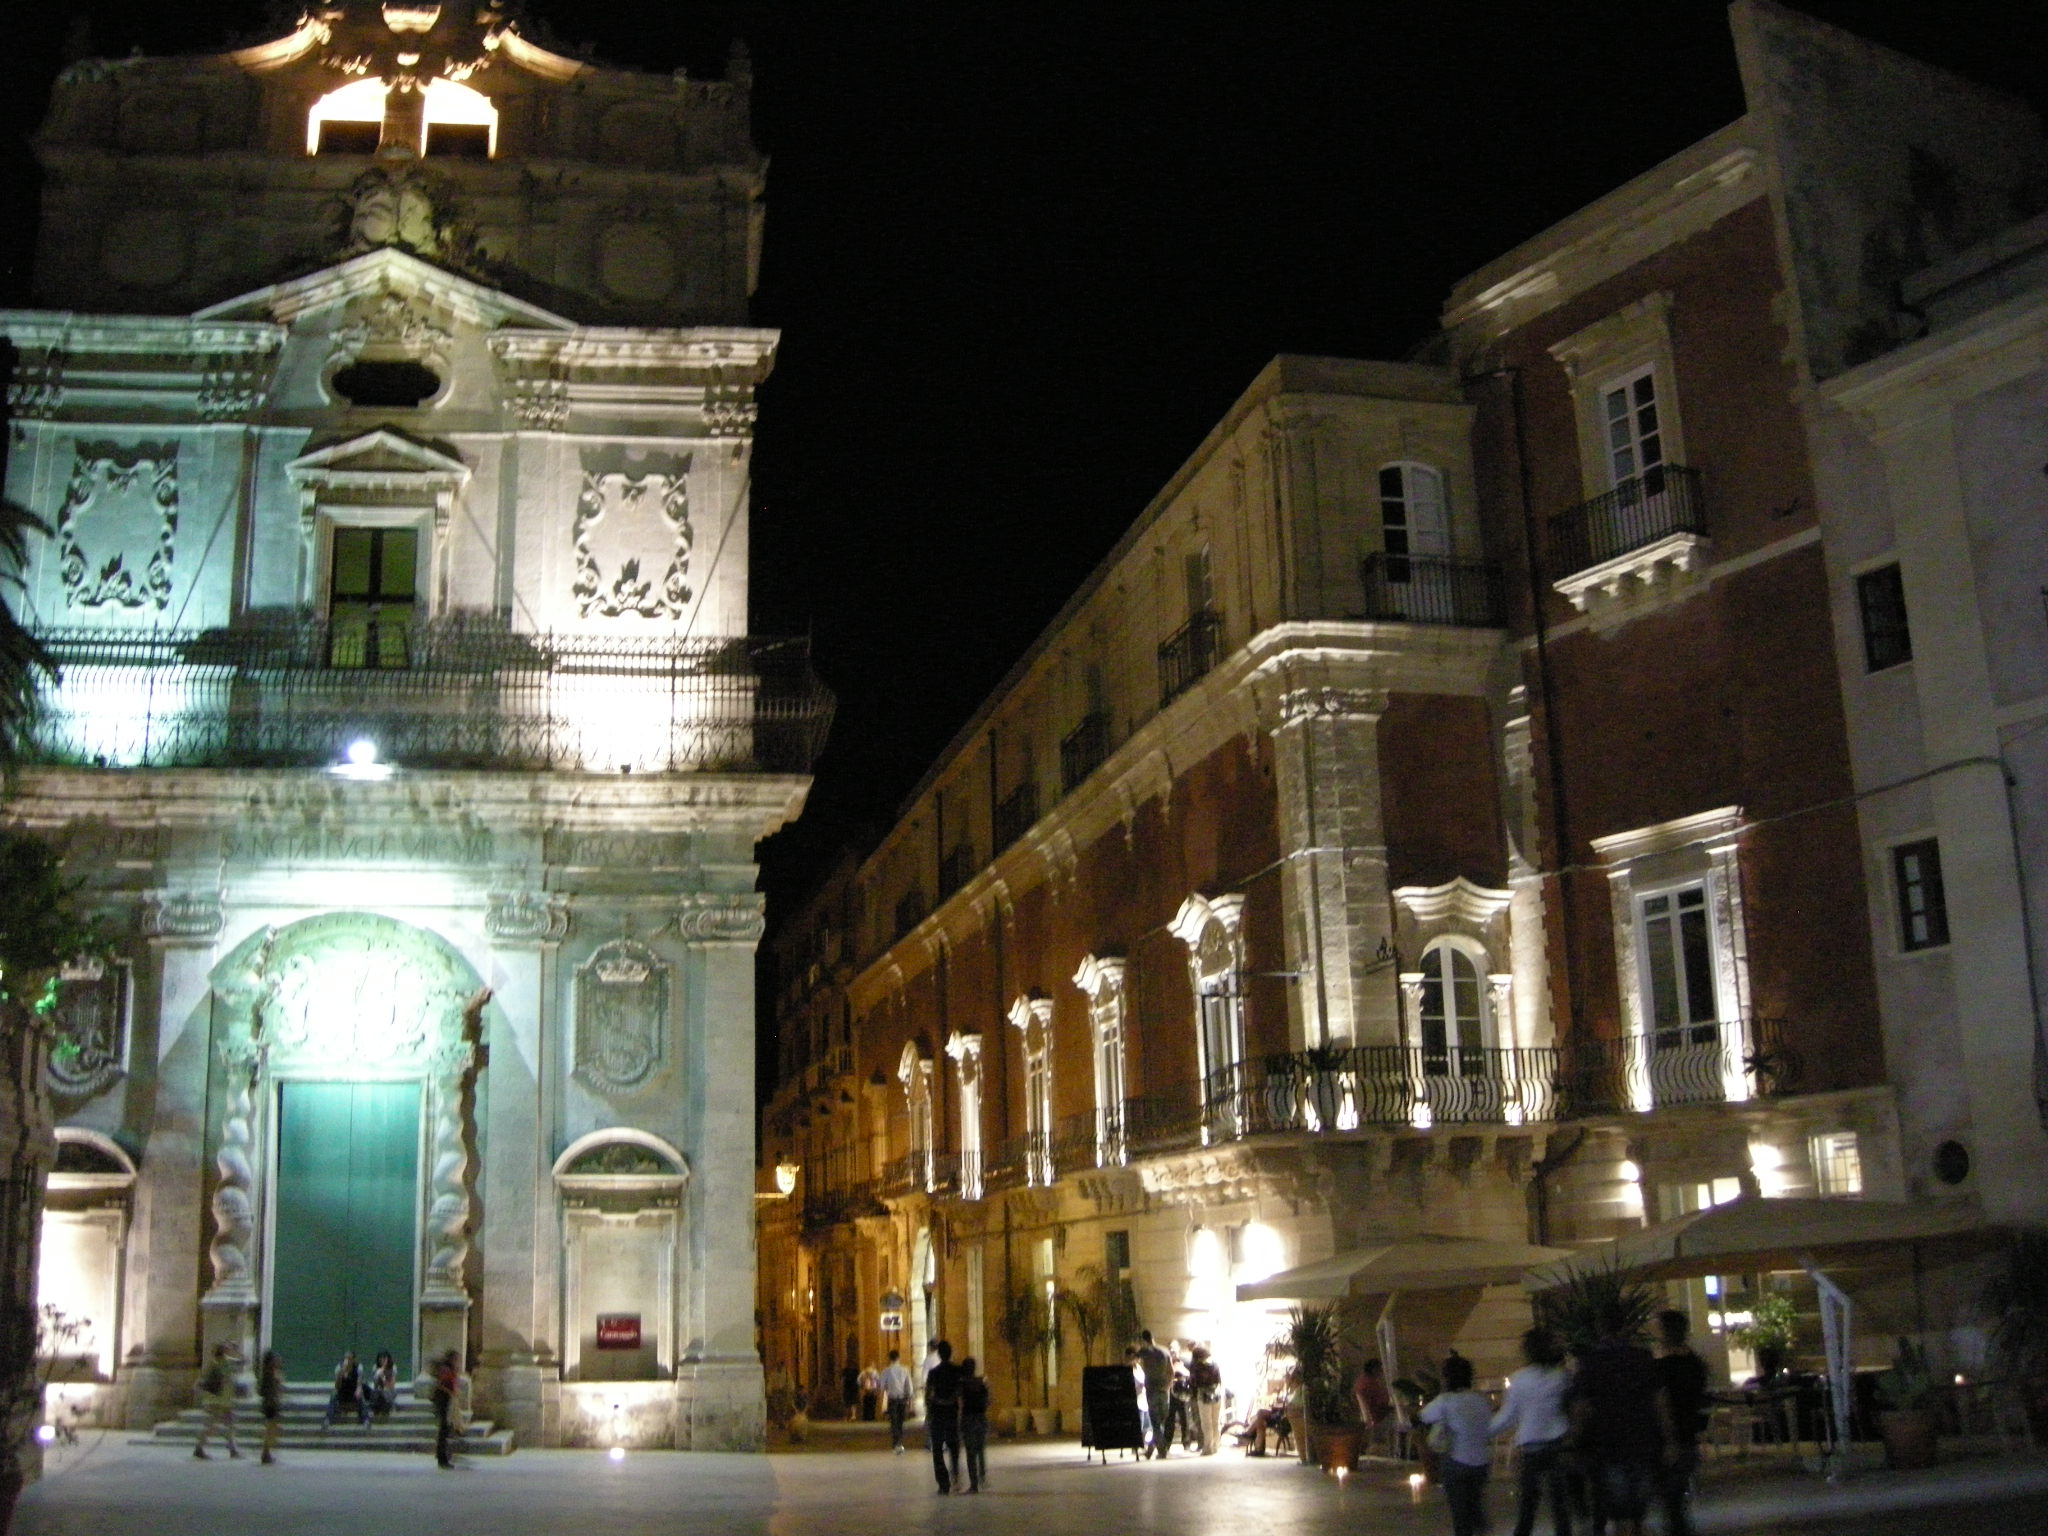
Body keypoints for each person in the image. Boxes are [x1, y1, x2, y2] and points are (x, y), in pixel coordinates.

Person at [1568, 1303, 1663, 1536]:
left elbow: (1581, 1406)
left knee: (1618, 1507)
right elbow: (1659, 1399)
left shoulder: (1590, 1362)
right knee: (1638, 1506)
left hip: (1608, 1439)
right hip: (1641, 1436)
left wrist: (1574, 1437)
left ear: (1600, 1328)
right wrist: (1667, 1437)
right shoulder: (1642, 1357)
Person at [1493, 1327, 1574, 1536]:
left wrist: (1483, 1432)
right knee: (1560, 1507)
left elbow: (1508, 1416)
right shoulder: (1561, 1377)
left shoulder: (1519, 1379)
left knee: (1527, 1506)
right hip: (1558, 1444)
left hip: (1530, 1446)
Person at [1418, 1354, 1493, 1536]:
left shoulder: (1445, 1401)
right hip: (1482, 1463)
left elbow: (1423, 1416)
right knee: (1474, 1502)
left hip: (1457, 1463)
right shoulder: (1481, 1400)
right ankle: (1479, 1523)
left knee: (1459, 1513)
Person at [1652, 1311, 1710, 1536]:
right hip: (1688, 1433)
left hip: (1667, 1436)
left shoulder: (1660, 1367)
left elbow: (1661, 1402)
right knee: (1676, 1496)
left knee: (1669, 1498)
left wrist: (1667, 1439)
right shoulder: (1695, 1364)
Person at [924, 1339, 964, 1494]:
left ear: (939, 1354)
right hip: (952, 1413)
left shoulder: (934, 1373)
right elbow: (960, 1390)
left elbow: (928, 1394)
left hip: (938, 1414)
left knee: (938, 1449)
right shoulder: (957, 1371)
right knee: (954, 1447)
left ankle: (943, 1483)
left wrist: (933, 1405)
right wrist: (952, 1400)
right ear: (950, 1353)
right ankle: (955, 1477)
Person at [192, 1342, 241, 1460]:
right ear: (223, 1351)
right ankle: (199, 1448)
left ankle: (233, 1449)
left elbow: (243, 1362)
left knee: (230, 1424)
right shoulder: (218, 1364)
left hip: (225, 1400)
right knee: (213, 1425)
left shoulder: (224, 1362)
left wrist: (237, 1351)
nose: (229, 1351)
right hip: (217, 1401)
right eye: (227, 1349)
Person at [1134, 1330, 1173, 1458]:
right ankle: (1150, 1449)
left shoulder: (1144, 1352)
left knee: (1155, 1423)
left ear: (1144, 1340)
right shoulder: (1165, 1351)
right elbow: (1171, 1370)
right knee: (1160, 1421)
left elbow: (1131, 1359)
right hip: (1164, 1389)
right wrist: (1169, 1384)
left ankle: (1162, 1450)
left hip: (1152, 1389)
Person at [959, 1355, 991, 1492]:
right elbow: (989, 1400)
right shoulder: (982, 1382)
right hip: (981, 1418)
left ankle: (974, 1484)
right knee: (980, 1449)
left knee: (970, 1453)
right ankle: (982, 1476)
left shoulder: (962, 1383)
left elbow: (958, 1400)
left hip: (968, 1419)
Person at [1188, 1345, 1223, 1455]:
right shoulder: (1215, 1365)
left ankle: (1208, 1448)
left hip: (1203, 1396)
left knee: (1206, 1423)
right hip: (1216, 1395)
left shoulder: (1197, 1367)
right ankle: (1216, 1446)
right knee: (1215, 1422)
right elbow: (1218, 1380)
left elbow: (1194, 1382)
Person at [880, 1349, 915, 1454]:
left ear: (889, 1359)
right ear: (899, 1358)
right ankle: (899, 1442)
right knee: (900, 1421)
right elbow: (909, 1385)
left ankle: (896, 1443)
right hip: (902, 1398)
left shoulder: (886, 1371)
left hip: (892, 1399)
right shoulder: (905, 1370)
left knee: (894, 1421)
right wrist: (910, 1399)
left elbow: (882, 1386)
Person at [431, 1348, 461, 1469]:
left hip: (446, 1400)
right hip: (443, 1400)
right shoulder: (446, 1369)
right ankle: (442, 1458)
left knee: (445, 1429)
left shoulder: (450, 1369)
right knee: (443, 1430)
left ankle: (442, 1456)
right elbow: (442, 1384)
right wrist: (451, 1392)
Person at [325, 1350, 369, 1428]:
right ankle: (328, 1420)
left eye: (349, 1358)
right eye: (346, 1358)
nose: (347, 1361)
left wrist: (358, 1390)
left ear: (353, 1360)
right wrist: (341, 1374)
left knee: (361, 1397)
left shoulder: (358, 1368)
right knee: (333, 1395)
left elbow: (359, 1383)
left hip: (353, 1391)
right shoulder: (339, 1368)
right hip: (342, 1391)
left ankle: (365, 1420)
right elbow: (337, 1386)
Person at [258, 1350, 285, 1466]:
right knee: (270, 1428)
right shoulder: (270, 1374)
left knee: (271, 1428)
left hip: (271, 1403)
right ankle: (266, 1452)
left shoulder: (269, 1373)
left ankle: (267, 1451)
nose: (278, 1361)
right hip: (271, 1404)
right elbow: (271, 1389)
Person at [364, 1350, 398, 1420]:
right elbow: (375, 1384)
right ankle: (373, 1410)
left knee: (382, 1393)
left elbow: (392, 1385)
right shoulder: (376, 1367)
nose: (382, 1361)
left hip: (389, 1391)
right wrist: (379, 1374)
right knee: (375, 1392)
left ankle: (381, 1408)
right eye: (380, 1359)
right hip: (379, 1391)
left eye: (384, 1359)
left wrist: (383, 1377)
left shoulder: (393, 1368)